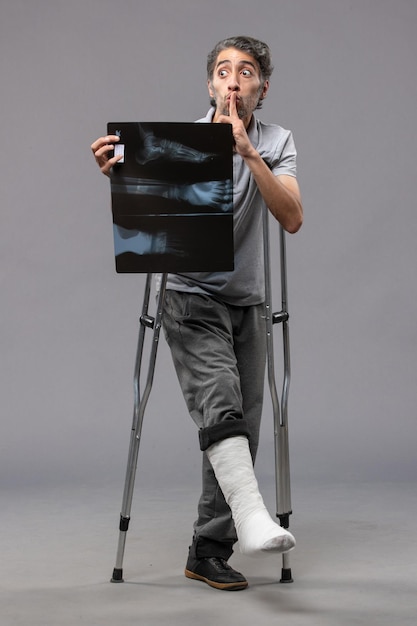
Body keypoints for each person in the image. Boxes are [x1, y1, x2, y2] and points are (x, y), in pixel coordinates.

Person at [91, 35, 303, 591]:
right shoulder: (175, 144)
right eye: (224, 71)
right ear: (210, 84)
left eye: (248, 72)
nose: (235, 81)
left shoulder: (276, 141)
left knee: (239, 429)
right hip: (188, 296)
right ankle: (252, 521)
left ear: (262, 88)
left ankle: (208, 551)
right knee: (221, 403)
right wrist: (121, 178)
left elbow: (293, 216)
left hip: (247, 301)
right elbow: (153, 222)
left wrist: (248, 153)